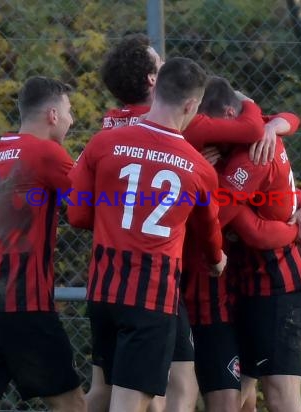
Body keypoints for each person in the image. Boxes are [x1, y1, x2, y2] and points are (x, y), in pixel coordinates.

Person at [95, 33, 270, 412]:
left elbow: (77, 208)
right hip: (156, 279)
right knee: (160, 388)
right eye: (159, 63)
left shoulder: (108, 129)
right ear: (154, 82)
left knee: (117, 385)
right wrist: (255, 108)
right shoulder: (190, 128)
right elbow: (253, 131)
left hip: (106, 274)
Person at [68, 57, 227, 412]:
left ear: (156, 90)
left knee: (109, 390)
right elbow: (208, 236)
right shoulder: (200, 167)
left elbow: (77, 214)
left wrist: (115, 219)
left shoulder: (103, 142)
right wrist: (218, 260)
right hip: (151, 296)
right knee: (130, 401)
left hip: (103, 290)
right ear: (191, 105)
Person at [181, 76, 301, 412]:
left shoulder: (253, 150)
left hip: (277, 277)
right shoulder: (253, 132)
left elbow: (231, 220)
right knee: (245, 391)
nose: (216, 135)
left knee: (281, 395)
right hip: (247, 280)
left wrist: (297, 224)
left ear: (233, 114)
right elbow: (286, 120)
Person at [0, 77, 86, 412]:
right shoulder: (45, 153)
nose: (72, 120)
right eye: (69, 111)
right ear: (52, 114)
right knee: (71, 403)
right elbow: (85, 209)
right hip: (25, 300)